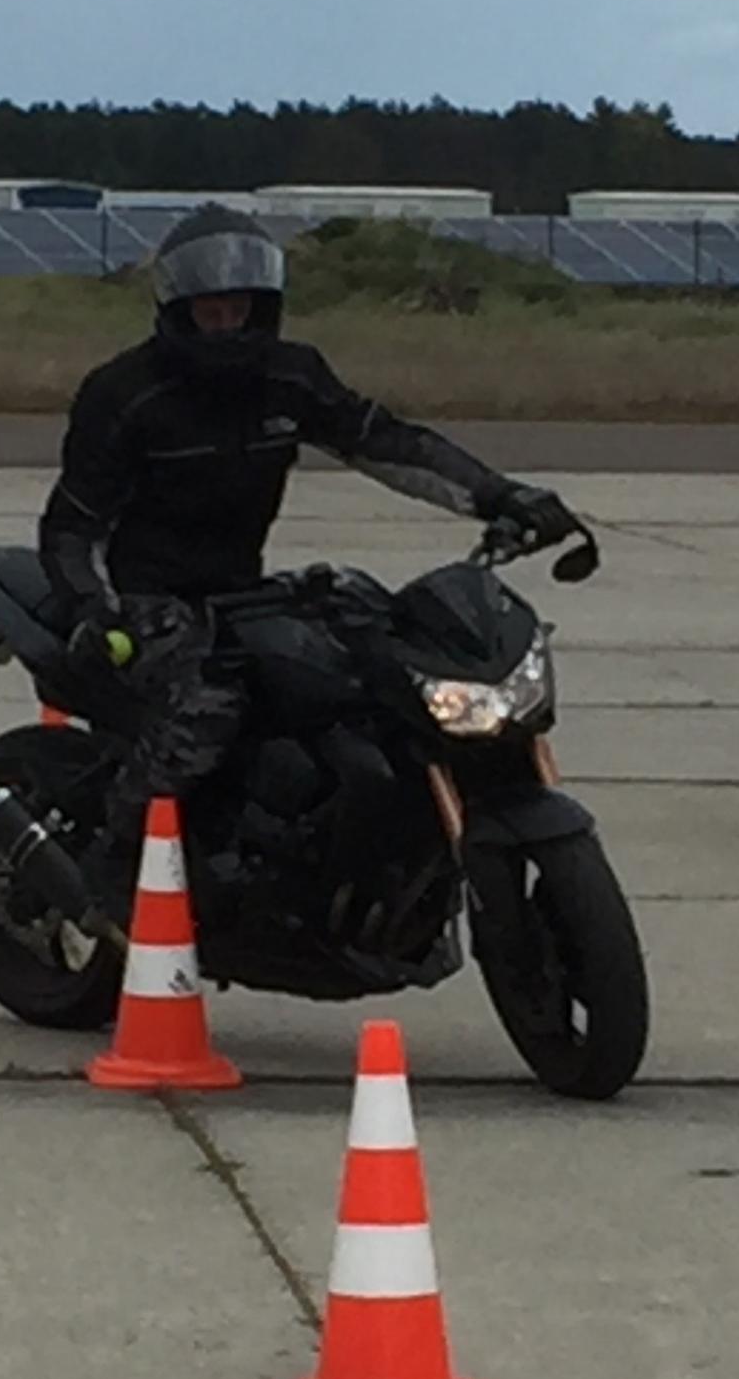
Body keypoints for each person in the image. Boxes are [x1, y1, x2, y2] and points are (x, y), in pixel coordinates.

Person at [37, 203, 580, 900]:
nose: (227, 325)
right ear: (179, 311)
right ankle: (115, 865)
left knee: (376, 667)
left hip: (243, 590)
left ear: (265, 308)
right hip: (147, 597)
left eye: (239, 310)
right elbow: (73, 526)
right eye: (211, 312)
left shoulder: (291, 376)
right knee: (207, 706)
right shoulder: (124, 393)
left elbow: (386, 442)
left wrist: (501, 495)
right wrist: (94, 609)